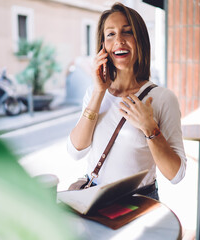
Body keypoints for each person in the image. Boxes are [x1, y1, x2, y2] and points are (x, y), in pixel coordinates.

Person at [67, 2, 186, 200]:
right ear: (103, 46)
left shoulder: (163, 98)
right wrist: (99, 91)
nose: (119, 40)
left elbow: (176, 175)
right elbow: (75, 151)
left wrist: (150, 128)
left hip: (137, 201)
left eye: (127, 32)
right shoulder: (94, 93)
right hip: (93, 197)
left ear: (140, 40)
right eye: (110, 34)